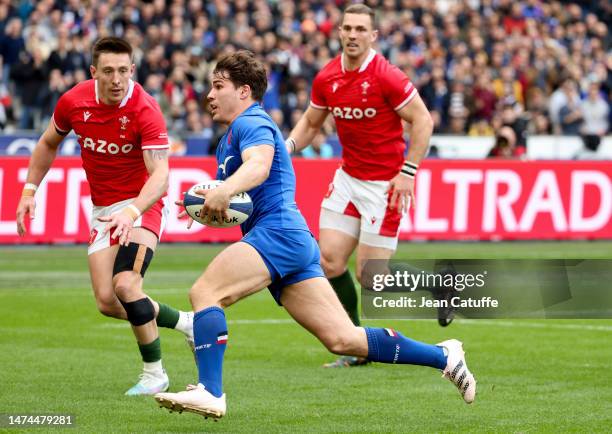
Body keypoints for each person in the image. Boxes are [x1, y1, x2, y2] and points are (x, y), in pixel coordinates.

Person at [153, 50, 476, 421]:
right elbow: (244, 196)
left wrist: (224, 190)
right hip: (292, 241)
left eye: (217, 86)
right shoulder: (229, 138)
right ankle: (445, 356)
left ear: (244, 91)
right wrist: (211, 203)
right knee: (344, 339)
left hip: (278, 232)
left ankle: (210, 391)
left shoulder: (251, 122)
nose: (208, 94)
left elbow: (258, 167)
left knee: (205, 293)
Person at [15, 36, 193, 396]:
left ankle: (154, 374)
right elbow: (49, 142)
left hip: (142, 203)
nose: (116, 79)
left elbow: (160, 176)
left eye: (124, 71)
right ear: (94, 72)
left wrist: (132, 210)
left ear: (133, 70)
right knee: (107, 302)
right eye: (108, 71)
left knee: (126, 286)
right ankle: (188, 323)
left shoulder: (145, 109)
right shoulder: (73, 101)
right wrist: (29, 191)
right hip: (102, 210)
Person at [285, 4, 448, 367]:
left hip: (384, 185)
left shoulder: (386, 76)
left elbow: (423, 120)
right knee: (328, 262)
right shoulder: (327, 77)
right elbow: (312, 123)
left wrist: (408, 172)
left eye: (361, 29)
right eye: (348, 28)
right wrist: (287, 148)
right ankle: (357, 346)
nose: (353, 35)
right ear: (339, 32)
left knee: (371, 278)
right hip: (348, 179)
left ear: (373, 36)